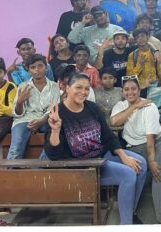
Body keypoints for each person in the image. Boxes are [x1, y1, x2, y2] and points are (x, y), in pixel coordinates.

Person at [45, 72, 146, 225]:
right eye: (78, 87)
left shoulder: (92, 107)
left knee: (141, 164)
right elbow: (54, 155)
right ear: (67, 88)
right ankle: (127, 225)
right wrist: (55, 129)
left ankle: (129, 212)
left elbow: (108, 135)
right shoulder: (57, 114)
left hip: (101, 155)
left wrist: (123, 156)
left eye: (86, 88)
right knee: (128, 174)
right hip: (83, 166)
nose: (83, 92)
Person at [110, 76, 161, 224]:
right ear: (122, 92)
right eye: (126, 89)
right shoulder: (120, 106)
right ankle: (130, 212)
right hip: (135, 148)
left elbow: (151, 138)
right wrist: (134, 106)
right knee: (147, 165)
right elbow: (114, 121)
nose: (130, 92)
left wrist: (152, 160)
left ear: (139, 90)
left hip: (159, 142)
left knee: (158, 163)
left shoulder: (149, 106)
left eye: (133, 89)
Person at [7, 54, 60, 159]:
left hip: (46, 120)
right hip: (24, 120)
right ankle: (11, 173)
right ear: (28, 70)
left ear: (46, 67)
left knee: (55, 134)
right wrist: (19, 102)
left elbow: (54, 108)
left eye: (40, 66)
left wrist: (41, 121)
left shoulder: (54, 86)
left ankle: (40, 168)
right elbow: (17, 114)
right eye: (33, 67)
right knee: (15, 150)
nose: (37, 70)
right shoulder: (23, 86)